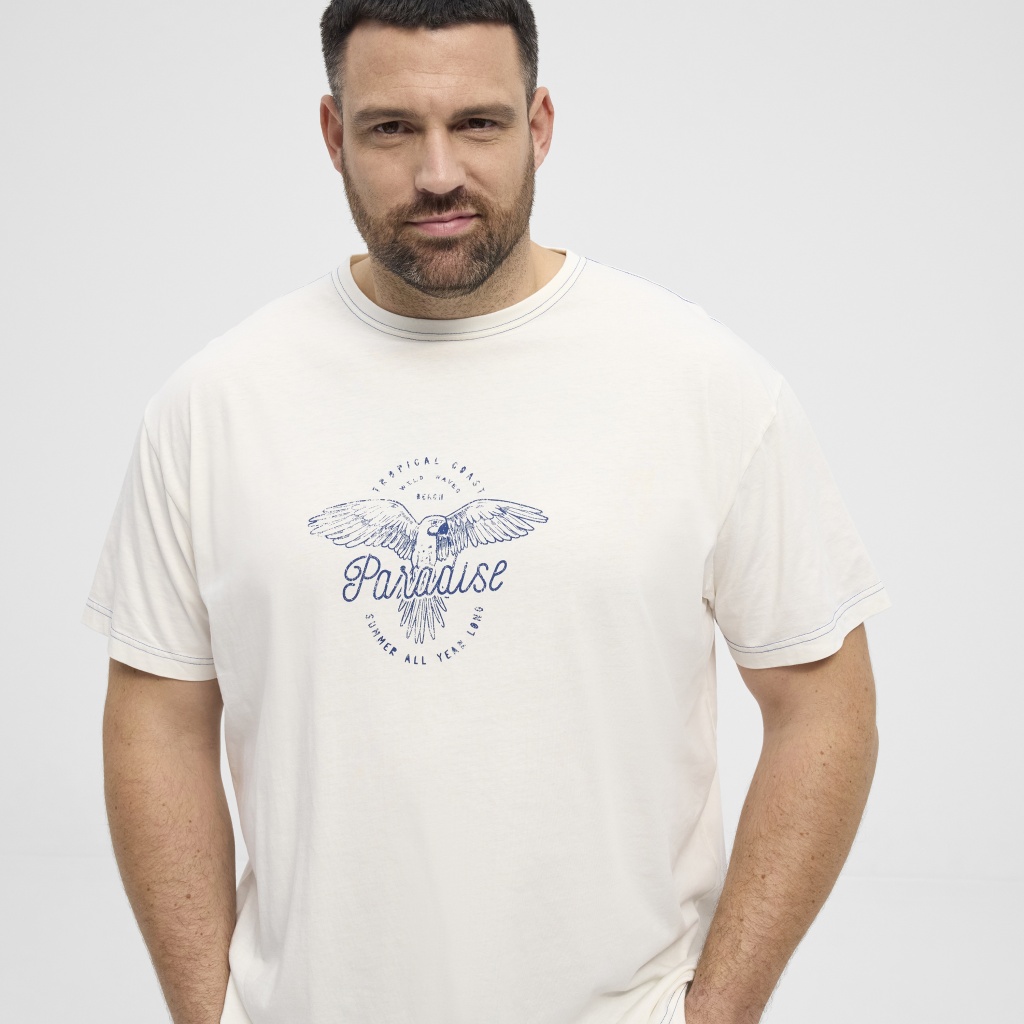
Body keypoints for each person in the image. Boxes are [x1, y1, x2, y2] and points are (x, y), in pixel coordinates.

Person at [82, 1, 892, 1022]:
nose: (437, 174)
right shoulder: (215, 406)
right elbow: (155, 720)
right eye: (391, 128)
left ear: (538, 124)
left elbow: (825, 704)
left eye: (477, 123)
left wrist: (719, 1008)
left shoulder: (701, 384)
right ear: (333, 134)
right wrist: (209, 1014)